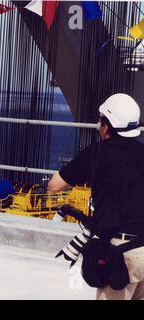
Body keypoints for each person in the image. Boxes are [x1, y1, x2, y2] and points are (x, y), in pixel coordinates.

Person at [48, 93, 144, 300]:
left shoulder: (98, 153)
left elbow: (55, 185)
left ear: (107, 125)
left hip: (121, 253)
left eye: (101, 121)